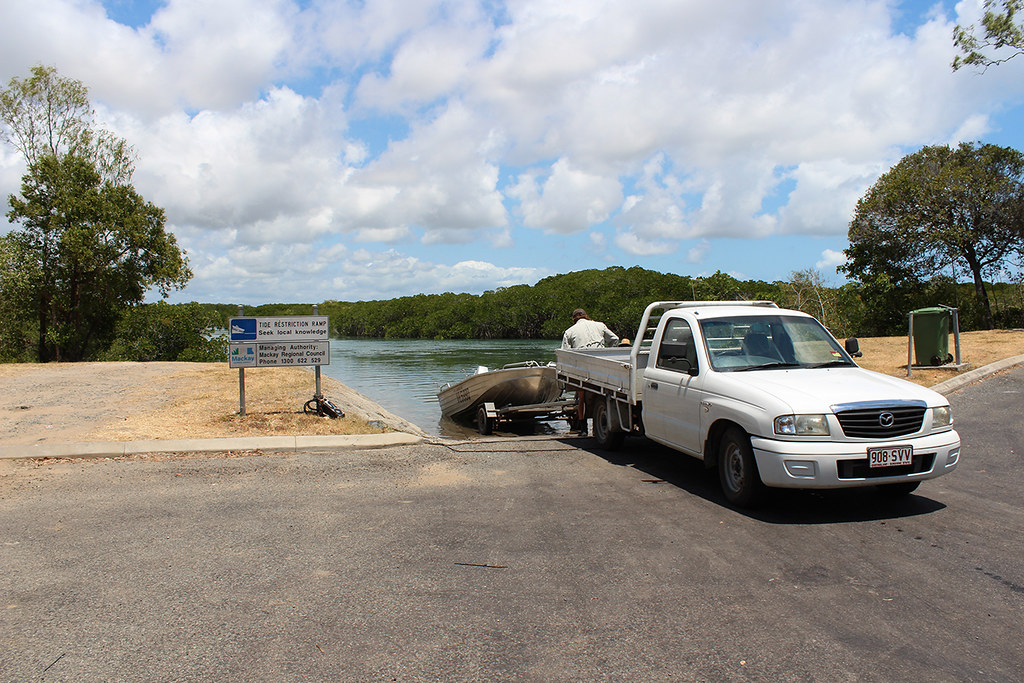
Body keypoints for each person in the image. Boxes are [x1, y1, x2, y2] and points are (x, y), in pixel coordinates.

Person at [561, 308, 619, 436]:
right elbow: (615, 339)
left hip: (582, 368)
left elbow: (565, 353)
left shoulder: (569, 331)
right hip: (601, 366)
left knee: (581, 399)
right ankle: (598, 428)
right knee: (602, 395)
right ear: (585, 316)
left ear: (574, 318)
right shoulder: (600, 325)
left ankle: (583, 430)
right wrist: (609, 354)